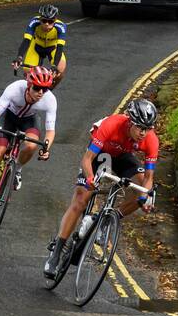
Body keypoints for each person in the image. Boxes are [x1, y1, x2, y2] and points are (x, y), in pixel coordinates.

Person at [43, 99, 159, 278]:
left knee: (143, 189)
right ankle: (56, 252)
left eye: (147, 128)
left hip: (123, 157)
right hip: (100, 154)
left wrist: (145, 197)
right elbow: (87, 159)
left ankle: (106, 219)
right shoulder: (111, 124)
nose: (144, 133)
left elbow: (149, 178)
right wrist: (89, 180)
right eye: (140, 127)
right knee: (81, 199)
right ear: (129, 121)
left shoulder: (150, 139)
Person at [0, 65, 56, 217]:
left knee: (31, 145)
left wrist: (46, 148)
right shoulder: (14, 89)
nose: (41, 93)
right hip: (9, 117)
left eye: (45, 88)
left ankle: (17, 169)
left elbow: (50, 130)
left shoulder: (49, 99)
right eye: (37, 88)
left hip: (29, 121)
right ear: (29, 85)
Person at [13, 4, 67, 85]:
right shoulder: (34, 22)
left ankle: (47, 92)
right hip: (36, 46)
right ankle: (32, 93)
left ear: (55, 20)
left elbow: (60, 48)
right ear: (40, 19)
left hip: (52, 47)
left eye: (50, 21)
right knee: (27, 71)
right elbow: (26, 41)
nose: (47, 24)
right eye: (44, 21)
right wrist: (19, 57)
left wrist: (54, 66)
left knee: (60, 69)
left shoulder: (61, 27)